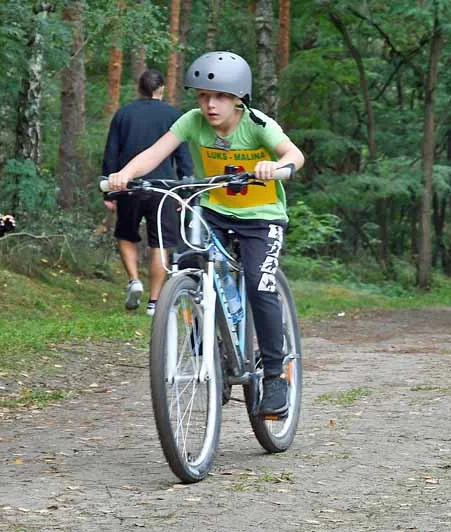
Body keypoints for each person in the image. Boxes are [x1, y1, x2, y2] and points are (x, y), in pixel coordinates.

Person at [106, 51, 305, 416]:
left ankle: (276, 376)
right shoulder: (192, 122)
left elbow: (295, 154)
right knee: (188, 267)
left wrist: (276, 168)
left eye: (220, 97)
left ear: (238, 99)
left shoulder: (258, 125)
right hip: (214, 213)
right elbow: (155, 152)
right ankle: (210, 356)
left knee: (259, 282)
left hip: (262, 219)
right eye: (202, 96)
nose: (210, 105)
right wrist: (125, 173)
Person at [101, 69, 193, 316]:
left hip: (129, 185)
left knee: (126, 235)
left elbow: (112, 152)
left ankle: (134, 280)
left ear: (139, 88)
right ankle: (154, 301)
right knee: (160, 242)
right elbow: (183, 157)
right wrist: (185, 191)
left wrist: (108, 191)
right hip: (163, 189)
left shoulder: (123, 114)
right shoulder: (175, 116)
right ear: (161, 89)